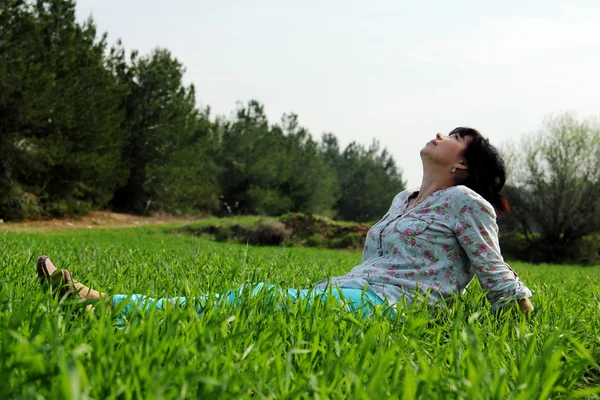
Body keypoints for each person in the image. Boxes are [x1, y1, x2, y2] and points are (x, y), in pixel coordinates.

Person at [36, 127, 534, 318]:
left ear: (462, 164)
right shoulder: (400, 199)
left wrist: (520, 317)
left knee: (251, 302)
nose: (438, 133)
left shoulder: (466, 202)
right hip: (352, 292)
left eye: (452, 137)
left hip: (389, 308)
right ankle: (108, 309)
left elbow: (496, 275)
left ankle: (99, 303)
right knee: (246, 304)